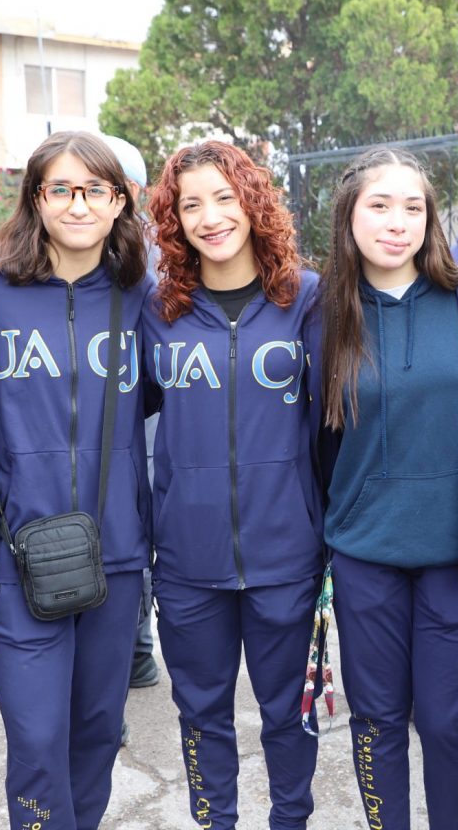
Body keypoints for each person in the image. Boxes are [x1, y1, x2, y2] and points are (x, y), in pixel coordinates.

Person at [320, 148, 458, 830]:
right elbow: (313, 439)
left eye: (413, 207)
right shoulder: (322, 312)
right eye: (380, 206)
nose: (398, 223)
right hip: (365, 554)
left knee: (453, 724)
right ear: (349, 216)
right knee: (376, 721)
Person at [143, 140, 323, 830]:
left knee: (288, 715)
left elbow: (336, 423)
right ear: (175, 220)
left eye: (224, 197)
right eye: (191, 205)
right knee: (201, 714)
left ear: (252, 203)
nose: (211, 217)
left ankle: (290, 821)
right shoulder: (158, 310)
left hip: (287, 558)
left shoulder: (306, 299)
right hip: (188, 561)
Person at [0, 130, 151, 829]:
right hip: (18, 553)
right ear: (36, 198)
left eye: (95, 190)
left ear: (120, 202)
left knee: (97, 732)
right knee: (37, 738)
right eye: (61, 189)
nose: (79, 205)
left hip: (117, 553)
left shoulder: (146, 298)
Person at [99, 132, 161, 691]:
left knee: (129, 516)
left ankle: (136, 646)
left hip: (144, 414)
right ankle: (136, 649)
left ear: (131, 191)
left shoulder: (151, 256)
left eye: (103, 186)